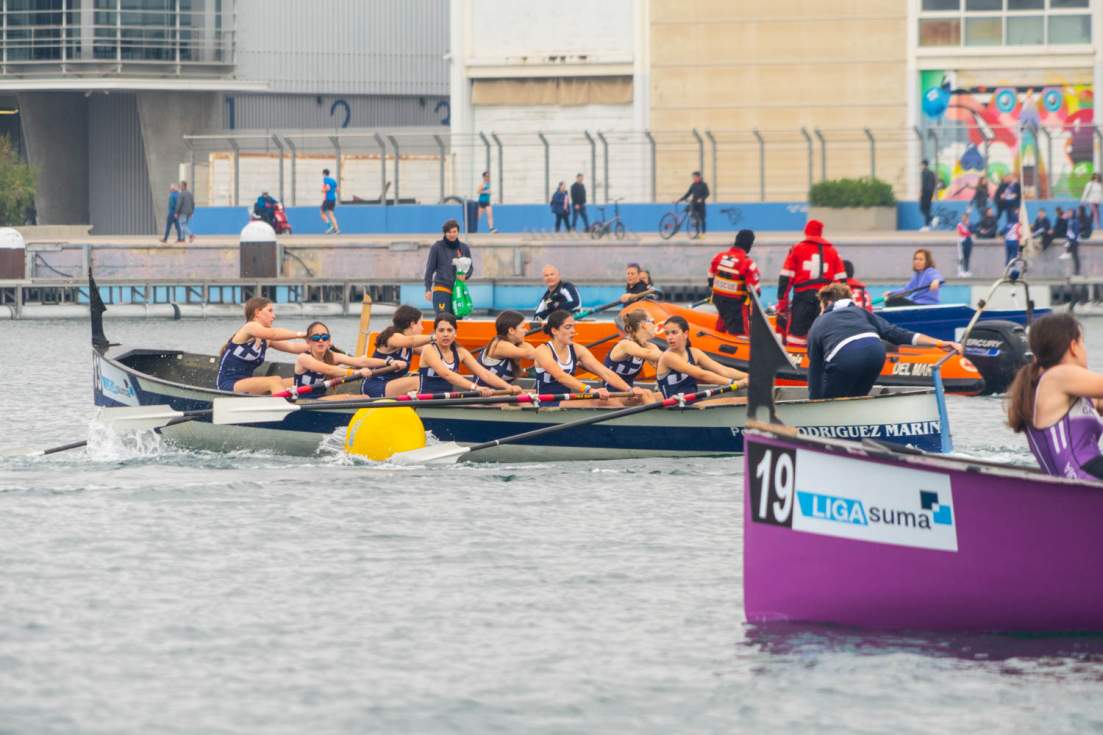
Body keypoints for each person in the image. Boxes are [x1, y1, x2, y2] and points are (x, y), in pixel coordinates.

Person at [806, 283, 961, 400]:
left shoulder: (819, 323)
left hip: (845, 357)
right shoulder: (862, 313)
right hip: (876, 353)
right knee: (856, 399)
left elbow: (815, 370)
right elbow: (900, 334)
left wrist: (814, 402)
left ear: (826, 304)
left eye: (820, 306)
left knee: (830, 401)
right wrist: (940, 343)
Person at [1006, 313, 1103, 480]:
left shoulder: (1059, 390)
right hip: (1083, 474)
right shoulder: (1058, 376)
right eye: (1083, 343)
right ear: (1074, 346)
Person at [533, 309, 642, 406]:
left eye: (574, 326)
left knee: (637, 398)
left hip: (565, 400)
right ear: (554, 331)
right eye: (568, 327)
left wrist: (629, 389)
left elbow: (605, 372)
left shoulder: (577, 349)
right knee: (610, 402)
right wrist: (590, 390)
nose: (573, 331)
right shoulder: (543, 351)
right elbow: (561, 376)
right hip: (545, 403)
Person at [775, 219, 847, 349]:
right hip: (825, 299)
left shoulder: (797, 249)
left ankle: (796, 361)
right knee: (823, 334)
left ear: (806, 231)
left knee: (796, 335)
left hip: (803, 297)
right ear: (820, 233)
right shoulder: (833, 252)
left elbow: (786, 277)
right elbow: (842, 283)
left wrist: (782, 302)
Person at [215, 296, 307, 394]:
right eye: (270, 311)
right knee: (274, 380)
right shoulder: (249, 327)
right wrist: (302, 334)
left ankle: (309, 404)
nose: (274, 316)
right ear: (257, 312)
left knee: (297, 381)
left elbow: (293, 347)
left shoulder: (266, 340)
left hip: (247, 385)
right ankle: (285, 406)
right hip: (228, 385)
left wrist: (320, 343)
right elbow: (274, 334)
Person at [418, 313, 518, 396]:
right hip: (426, 403)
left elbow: (485, 374)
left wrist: (508, 387)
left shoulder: (461, 353)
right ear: (435, 333)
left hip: (446, 402)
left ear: (455, 333)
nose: (445, 334)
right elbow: (447, 375)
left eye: (449, 330)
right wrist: (475, 387)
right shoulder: (429, 350)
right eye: (441, 330)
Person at [656, 315, 747, 400]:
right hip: (674, 407)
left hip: (692, 404)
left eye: (674, 333)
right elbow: (702, 375)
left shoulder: (694, 353)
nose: (670, 337)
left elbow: (723, 370)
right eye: (667, 333)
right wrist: (733, 383)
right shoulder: (668, 357)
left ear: (685, 333)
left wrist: (748, 377)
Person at [293, 320, 393, 397]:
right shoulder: (304, 358)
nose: (320, 340)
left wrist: (388, 362)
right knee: (359, 398)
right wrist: (354, 373)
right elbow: (327, 369)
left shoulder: (332, 356)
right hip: (302, 400)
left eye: (324, 337)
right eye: (315, 337)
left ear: (329, 341)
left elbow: (361, 361)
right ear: (308, 341)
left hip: (319, 399)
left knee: (364, 397)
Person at [361, 305, 424, 397]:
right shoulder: (392, 337)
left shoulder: (410, 347)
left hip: (391, 386)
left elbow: (431, 351)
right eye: (420, 323)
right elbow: (411, 341)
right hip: (375, 386)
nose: (422, 328)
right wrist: (434, 337)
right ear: (412, 324)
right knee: (418, 381)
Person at [706, 228, 761, 335]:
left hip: (719, 300)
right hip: (736, 304)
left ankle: (718, 335)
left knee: (723, 318)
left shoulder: (719, 256)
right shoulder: (748, 263)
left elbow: (710, 277)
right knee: (740, 331)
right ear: (750, 244)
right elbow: (755, 291)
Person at [424, 219, 473, 317]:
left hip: (458, 290)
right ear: (445, 233)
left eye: (454, 232)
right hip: (442, 289)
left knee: (458, 322)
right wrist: (428, 289)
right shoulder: (437, 247)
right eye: (449, 232)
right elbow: (429, 270)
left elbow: (470, 268)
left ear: (458, 232)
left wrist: (466, 276)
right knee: (443, 319)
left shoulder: (464, 248)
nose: (452, 234)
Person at [603, 309, 663, 389]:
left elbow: (662, 364)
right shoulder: (626, 344)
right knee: (647, 394)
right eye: (653, 322)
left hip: (629, 393)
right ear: (643, 324)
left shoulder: (649, 346)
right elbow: (648, 354)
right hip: (610, 394)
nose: (655, 326)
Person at [476, 310, 537, 388]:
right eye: (522, 327)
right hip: (483, 396)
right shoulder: (500, 345)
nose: (526, 330)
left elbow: (535, 354)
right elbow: (531, 354)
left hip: (500, 395)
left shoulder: (514, 343)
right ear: (511, 330)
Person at [677, 171, 710, 237]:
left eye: (695, 177)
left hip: (701, 204)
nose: (694, 178)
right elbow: (687, 194)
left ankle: (703, 234)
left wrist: (702, 198)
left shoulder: (704, 185)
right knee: (694, 216)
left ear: (699, 177)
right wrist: (679, 200)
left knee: (702, 219)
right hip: (694, 203)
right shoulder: (693, 185)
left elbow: (707, 193)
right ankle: (697, 233)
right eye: (693, 177)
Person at [1060, 208, 1081, 274]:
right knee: (1073, 255)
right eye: (1068, 212)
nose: (1069, 214)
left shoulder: (1075, 221)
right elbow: (1068, 230)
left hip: (1074, 241)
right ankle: (1073, 270)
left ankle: (1077, 271)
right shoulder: (1070, 220)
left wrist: (1072, 240)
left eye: (1070, 213)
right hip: (1070, 240)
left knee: (1075, 256)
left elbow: (1076, 232)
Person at [320, 168, 339, 234]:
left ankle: (330, 226)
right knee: (331, 215)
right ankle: (337, 230)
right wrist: (332, 191)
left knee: (322, 213)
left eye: (322, 174)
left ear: (324, 174)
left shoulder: (325, 179)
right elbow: (337, 190)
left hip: (328, 199)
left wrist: (323, 190)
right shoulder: (333, 180)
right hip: (333, 199)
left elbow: (328, 187)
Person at [919, 159, 937, 230]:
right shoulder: (931, 173)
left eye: (921, 165)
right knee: (928, 209)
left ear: (924, 165)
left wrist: (921, 193)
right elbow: (934, 183)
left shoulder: (923, 173)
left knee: (922, 208)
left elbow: (923, 184)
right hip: (930, 193)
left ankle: (932, 218)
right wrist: (933, 192)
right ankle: (926, 226)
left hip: (925, 192)